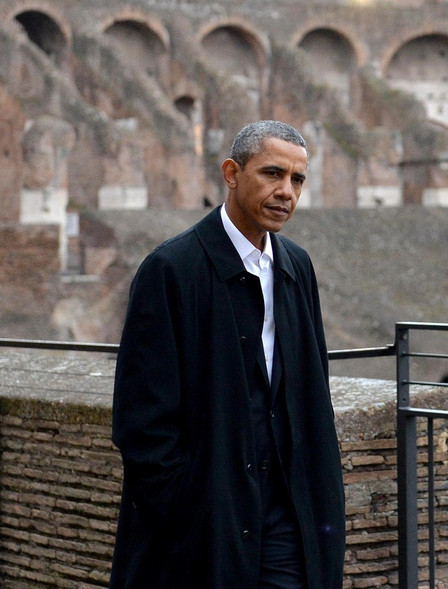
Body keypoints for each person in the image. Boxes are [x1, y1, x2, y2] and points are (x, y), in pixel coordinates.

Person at [109, 120, 345, 589]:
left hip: (287, 519)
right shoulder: (170, 269)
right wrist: (184, 507)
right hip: (203, 526)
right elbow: (141, 422)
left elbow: (312, 389)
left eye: (297, 179)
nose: (286, 192)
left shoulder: (297, 265)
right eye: (272, 174)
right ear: (232, 173)